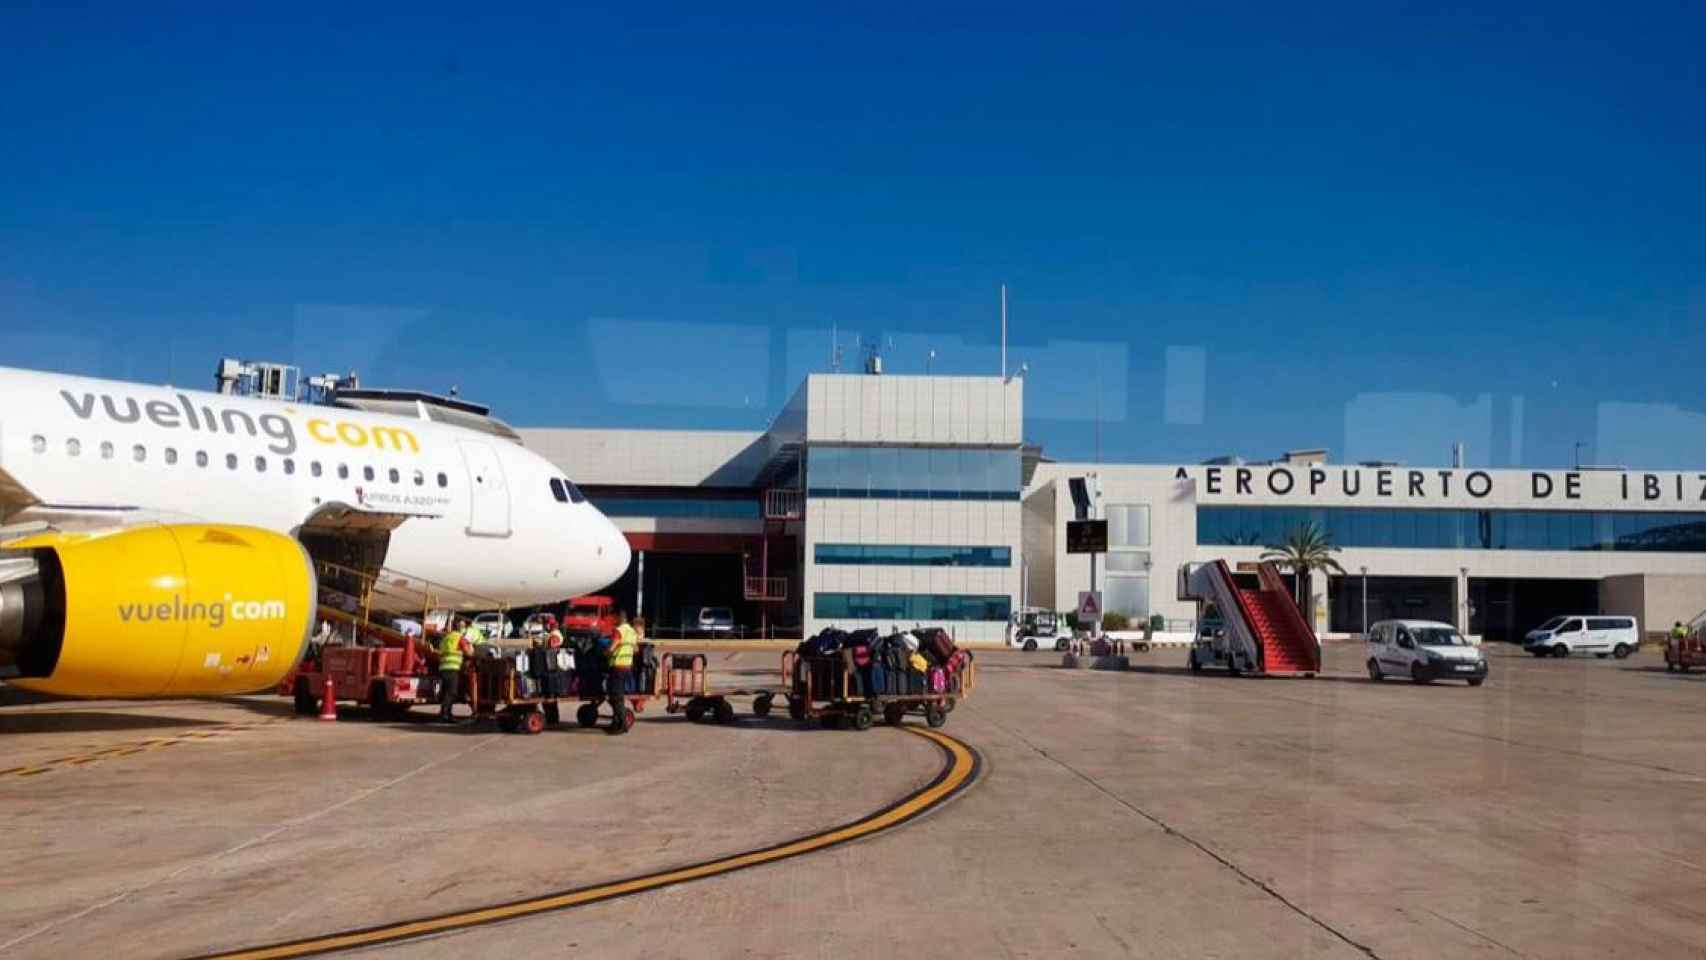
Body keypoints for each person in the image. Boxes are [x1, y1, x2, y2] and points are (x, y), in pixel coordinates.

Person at [603, 611, 638, 733]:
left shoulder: (619, 631)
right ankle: (616, 722)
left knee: (615, 697)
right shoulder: (632, 631)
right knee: (619, 696)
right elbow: (636, 649)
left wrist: (606, 652)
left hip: (617, 667)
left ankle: (622, 725)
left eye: (615, 617)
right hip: (627, 667)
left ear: (619, 618)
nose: (613, 620)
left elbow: (612, 647)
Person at [438, 617, 474, 723]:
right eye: (462, 626)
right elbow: (469, 653)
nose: (463, 628)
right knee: (452, 692)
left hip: (443, 668)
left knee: (446, 692)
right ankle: (444, 715)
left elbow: (441, 649)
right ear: (459, 627)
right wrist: (471, 648)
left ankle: (446, 714)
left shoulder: (447, 637)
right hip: (453, 668)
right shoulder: (460, 638)